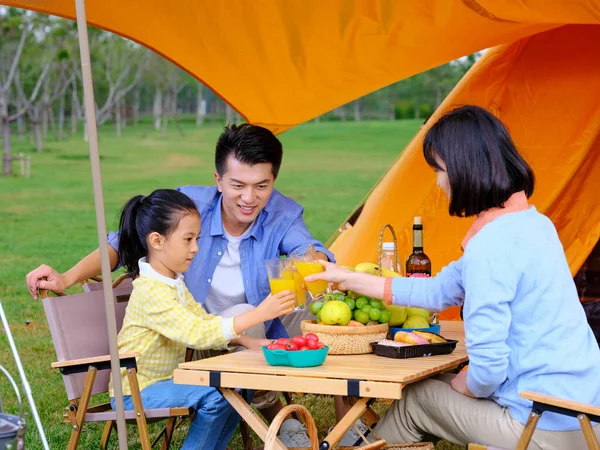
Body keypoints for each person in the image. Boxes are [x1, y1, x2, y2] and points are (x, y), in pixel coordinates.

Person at [25, 123, 350, 446]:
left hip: (231, 327)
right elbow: (124, 241)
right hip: (192, 344)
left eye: (261, 186)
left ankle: (346, 427)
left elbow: (308, 250)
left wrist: (314, 260)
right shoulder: (188, 211)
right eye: (238, 184)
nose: (249, 198)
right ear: (218, 179)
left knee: (327, 320)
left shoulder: (281, 214)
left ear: (273, 181)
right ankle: (274, 414)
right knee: (231, 368)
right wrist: (67, 277)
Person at [305, 105, 600, 449]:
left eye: (439, 169)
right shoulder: (533, 224)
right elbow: (439, 291)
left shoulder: (489, 246)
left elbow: (488, 370)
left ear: (463, 170)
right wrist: (345, 277)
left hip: (542, 426)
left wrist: (463, 385)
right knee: (437, 389)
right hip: (585, 414)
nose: (438, 181)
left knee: (416, 399)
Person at [108, 188, 296, 450]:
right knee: (216, 397)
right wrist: (260, 314)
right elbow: (195, 333)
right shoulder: (150, 290)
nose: (196, 248)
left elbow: (203, 319)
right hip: (136, 392)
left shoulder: (173, 282)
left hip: (167, 384)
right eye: (188, 239)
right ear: (157, 241)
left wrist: (249, 341)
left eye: (197, 238)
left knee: (240, 389)